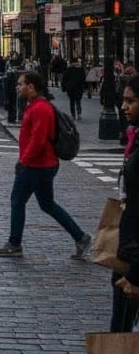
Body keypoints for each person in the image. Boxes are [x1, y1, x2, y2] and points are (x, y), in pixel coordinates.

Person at [0, 70, 92, 259]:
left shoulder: (40, 108)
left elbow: (37, 140)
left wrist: (24, 161)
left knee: (17, 201)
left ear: (31, 87)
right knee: (47, 204)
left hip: (36, 165)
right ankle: (80, 237)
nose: (17, 87)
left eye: (21, 84)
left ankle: (14, 243)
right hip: (43, 164)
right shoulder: (38, 105)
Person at [112, 75, 139, 332]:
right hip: (128, 252)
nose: (124, 107)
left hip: (134, 258)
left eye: (131, 101)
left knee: (122, 334)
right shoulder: (135, 138)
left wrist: (135, 275)